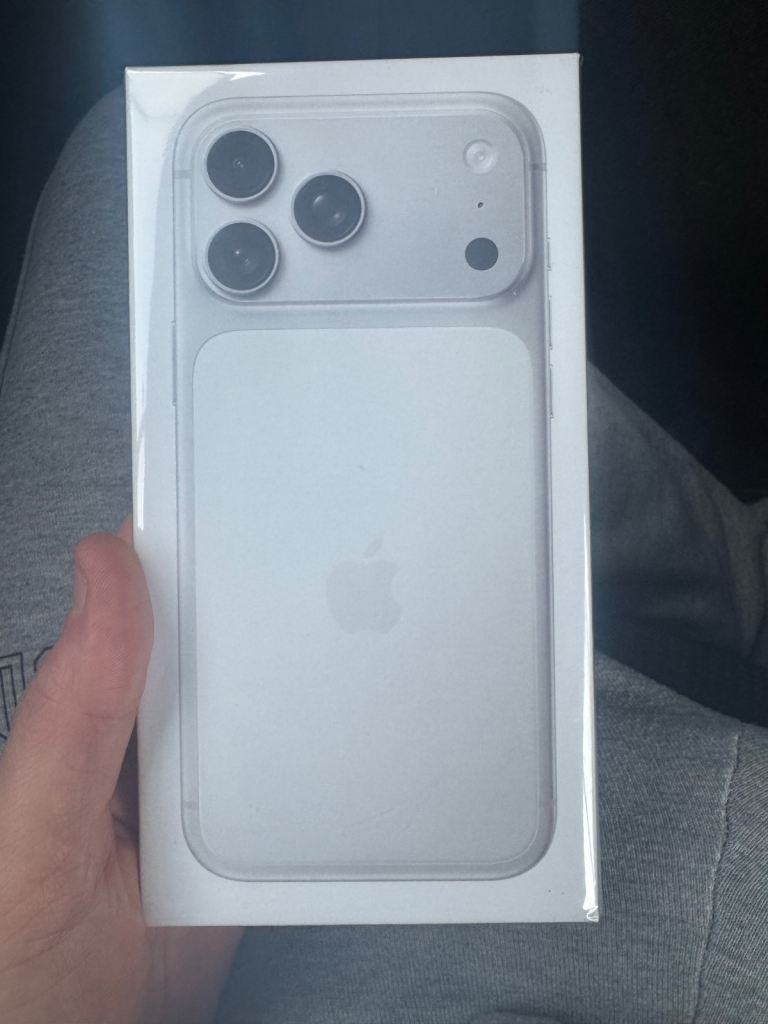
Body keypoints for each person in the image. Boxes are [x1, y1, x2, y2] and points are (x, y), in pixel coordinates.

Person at [0, 88, 766, 1024]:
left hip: (121, 923)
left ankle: (748, 587)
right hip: (681, 885)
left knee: (133, 165)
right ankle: (748, 589)